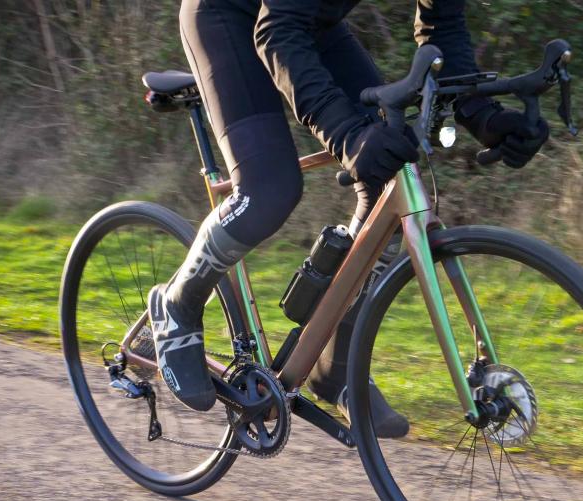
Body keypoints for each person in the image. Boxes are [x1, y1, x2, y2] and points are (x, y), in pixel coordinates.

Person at [148, 0, 549, 437]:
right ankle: (177, 305)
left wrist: (484, 117)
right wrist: (346, 136)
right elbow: (276, 31)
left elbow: (443, 26)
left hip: (306, 19)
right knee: (269, 189)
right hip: (230, 15)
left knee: (391, 180)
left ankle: (334, 364)